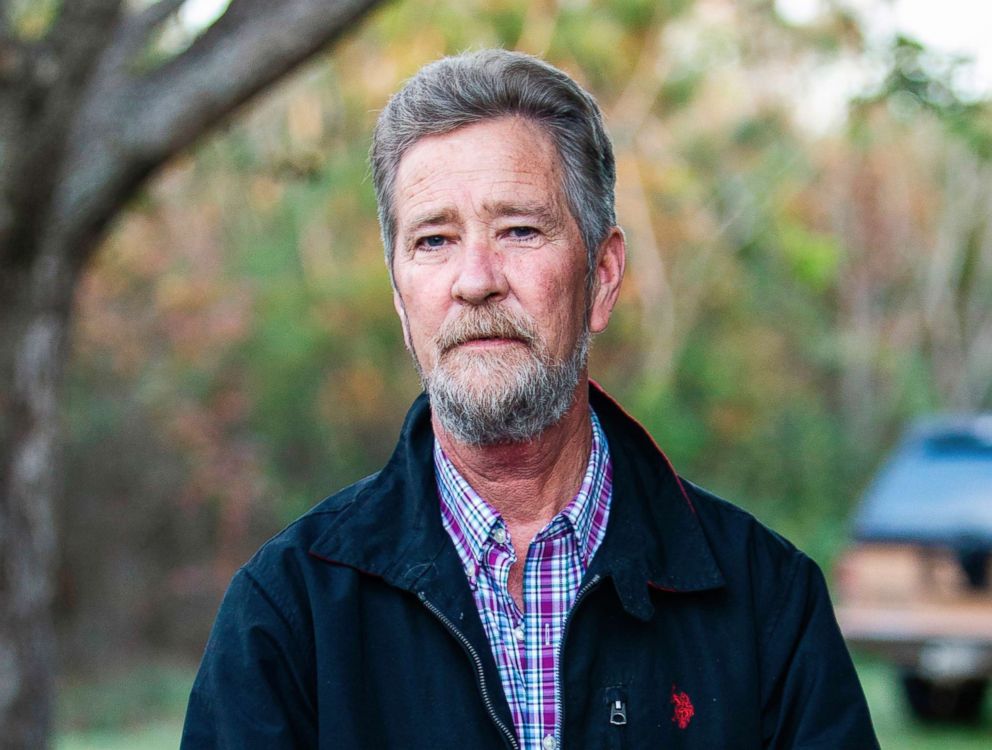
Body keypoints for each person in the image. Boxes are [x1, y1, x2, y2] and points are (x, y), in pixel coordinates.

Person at [181, 49, 879, 749]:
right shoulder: (287, 616)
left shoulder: (767, 604)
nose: (475, 280)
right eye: (434, 239)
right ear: (400, 300)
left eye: (519, 230)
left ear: (601, 276)